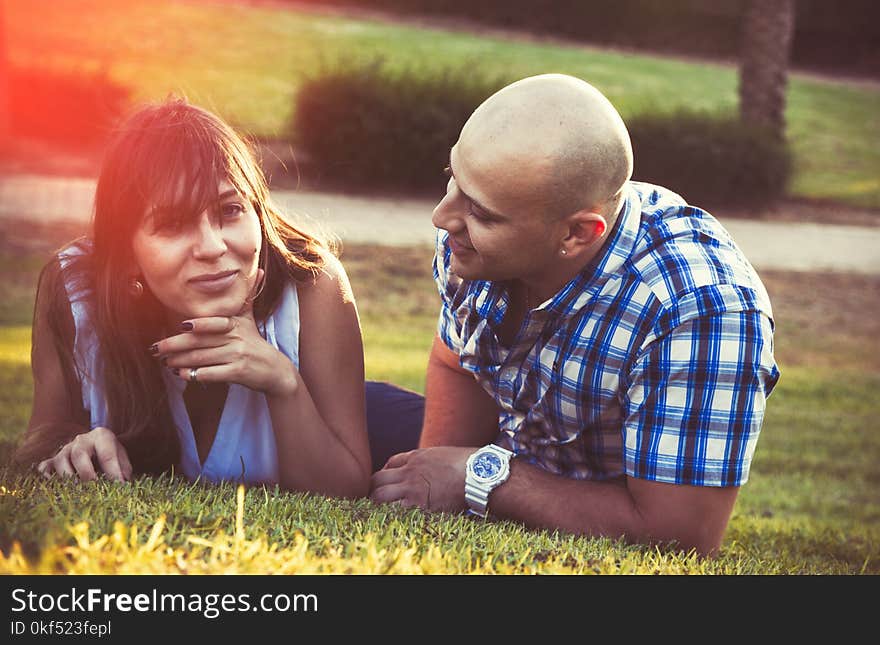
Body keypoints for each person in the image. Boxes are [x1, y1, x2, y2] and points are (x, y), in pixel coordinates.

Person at [369, 73, 780, 556]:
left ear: (577, 235)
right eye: (452, 181)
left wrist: (477, 476)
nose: (442, 217)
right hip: (507, 446)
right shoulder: (477, 236)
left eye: (482, 213)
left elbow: (681, 536)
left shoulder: (701, 308)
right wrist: (429, 475)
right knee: (320, 407)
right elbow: (456, 359)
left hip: (608, 497)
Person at [13, 98, 422, 495]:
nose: (212, 246)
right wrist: (72, 448)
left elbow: (342, 490)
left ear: (257, 211)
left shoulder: (313, 284)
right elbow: (38, 445)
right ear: (126, 255)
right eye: (173, 223)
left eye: (230, 211)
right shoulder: (75, 292)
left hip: (378, 415)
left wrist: (283, 383)